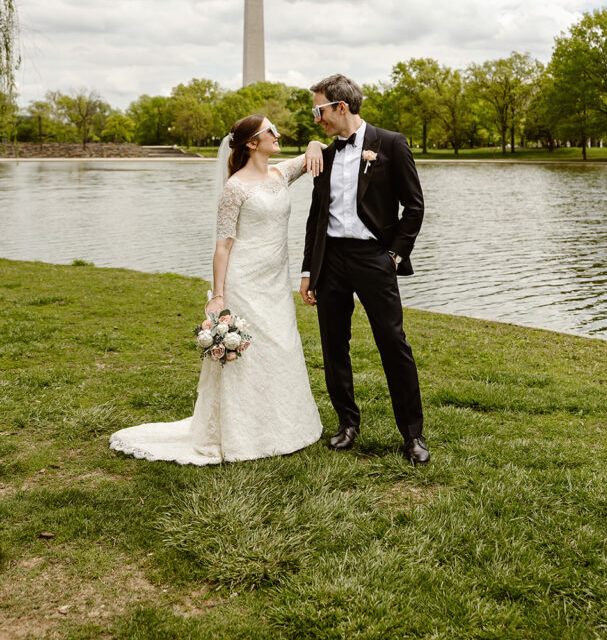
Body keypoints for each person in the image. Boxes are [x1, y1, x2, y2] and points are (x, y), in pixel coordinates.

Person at [110, 115, 324, 464]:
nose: (278, 134)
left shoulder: (280, 173)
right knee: (250, 356)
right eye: (270, 131)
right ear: (252, 143)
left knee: (282, 347)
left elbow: (319, 154)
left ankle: (284, 427)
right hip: (245, 280)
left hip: (275, 282)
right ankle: (242, 434)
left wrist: (315, 144)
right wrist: (219, 294)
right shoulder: (235, 188)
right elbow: (223, 246)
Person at [299, 74, 430, 465]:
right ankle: (347, 423)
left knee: (393, 344)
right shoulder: (323, 152)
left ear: (341, 107)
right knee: (333, 345)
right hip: (331, 260)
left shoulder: (390, 144)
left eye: (318, 110)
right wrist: (309, 269)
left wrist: (393, 255)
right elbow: (315, 216)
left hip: (375, 258)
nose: (316, 119)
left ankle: (413, 435)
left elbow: (415, 207)